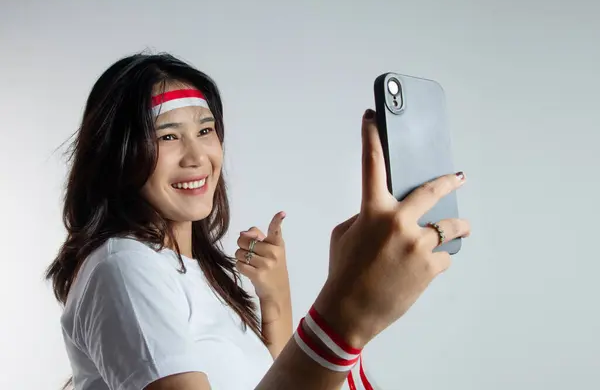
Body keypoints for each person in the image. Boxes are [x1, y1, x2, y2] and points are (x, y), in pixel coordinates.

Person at [46, 52, 470, 390]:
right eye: (168, 136)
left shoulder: (196, 274)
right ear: (118, 155)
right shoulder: (125, 266)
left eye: (206, 130)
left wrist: (276, 298)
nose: (197, 157)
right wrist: (344, 316)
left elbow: (277, 380)